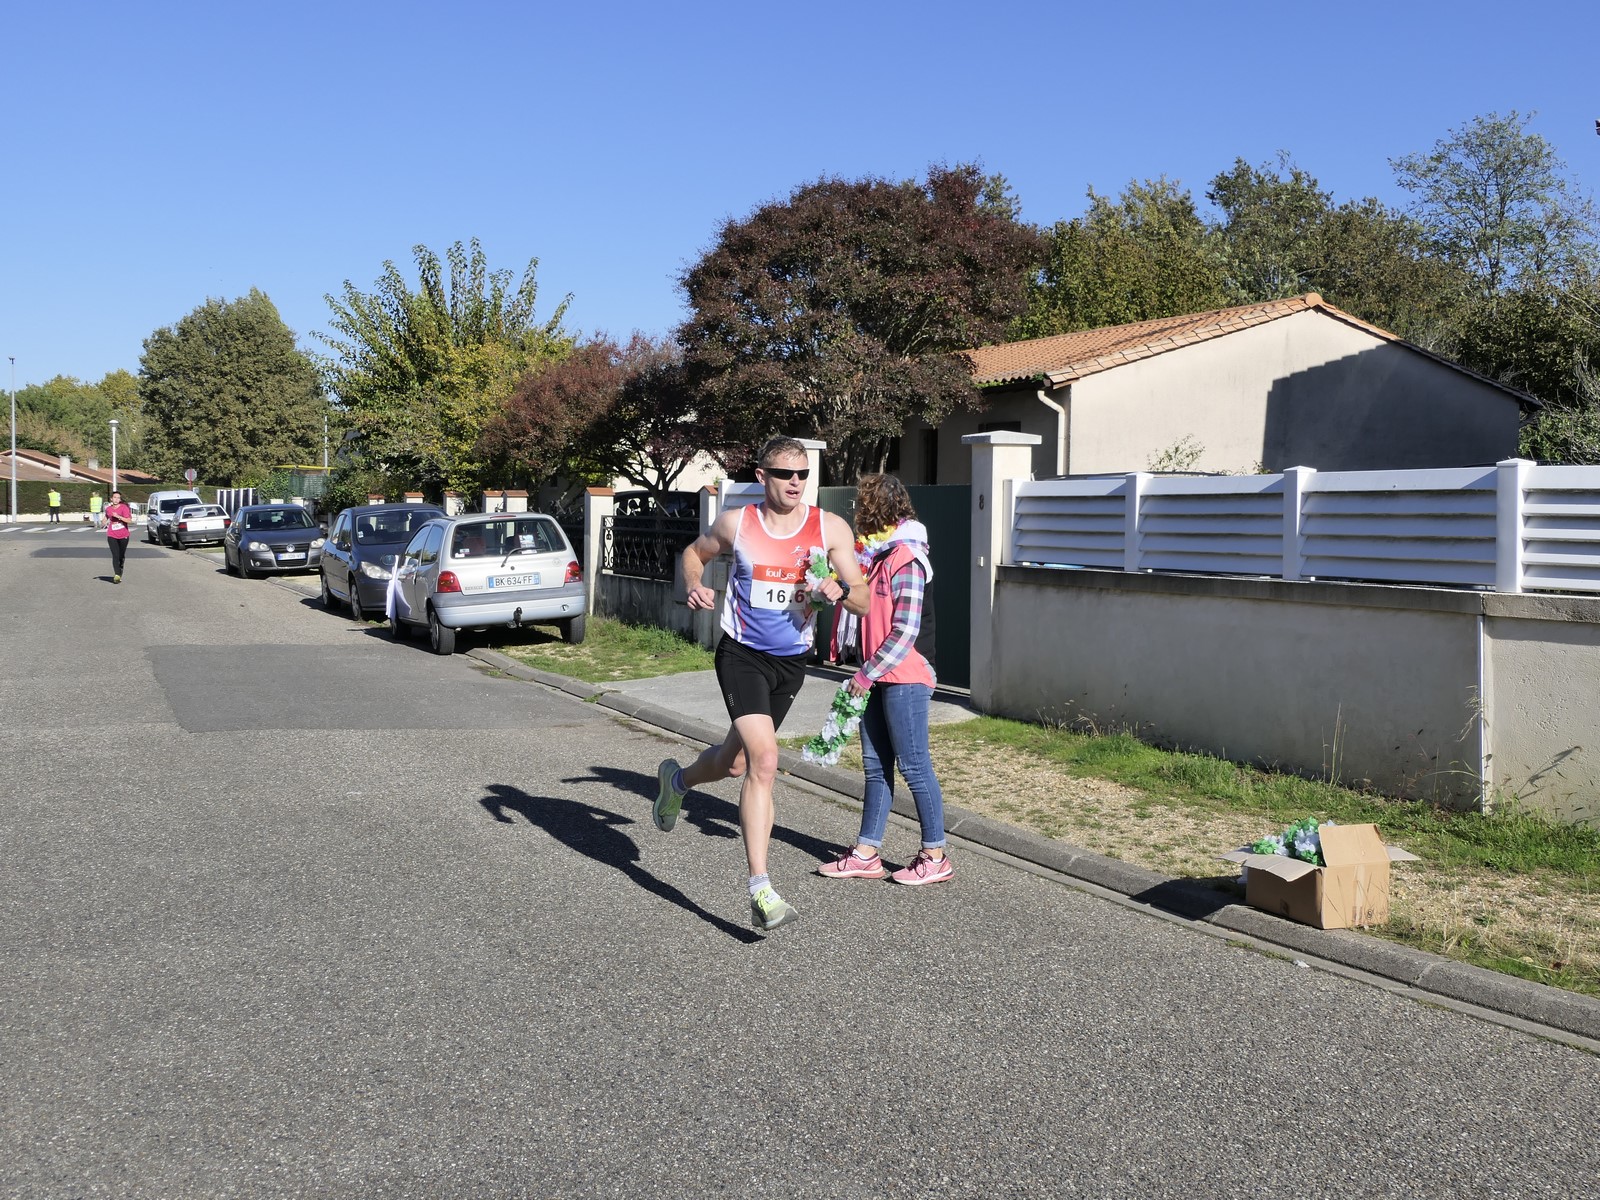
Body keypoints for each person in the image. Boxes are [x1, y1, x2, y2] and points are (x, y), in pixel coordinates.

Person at [653, 436, 870, 932]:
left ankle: (676, 782)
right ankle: (761, 889)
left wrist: (841, 590)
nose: (795, 482)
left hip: (791, 662)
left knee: (734, 764)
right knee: (765, 760)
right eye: (785, 473)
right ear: (762, 476)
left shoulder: (829, 528)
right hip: (742, 655)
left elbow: (864, 599)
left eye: (802, 474)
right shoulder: (738, 523)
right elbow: (694, 553)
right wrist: (694, 584)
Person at [816, 473, 953, 886]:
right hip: (879, 674)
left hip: (906, 675)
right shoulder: (879, 556)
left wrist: (864, 673)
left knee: (914, 766)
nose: (856, 512)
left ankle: (935, 856)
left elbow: (906, 630)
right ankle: (866, 853)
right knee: (876, 767)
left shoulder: (907, 557)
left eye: (861, 505)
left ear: (876, 509)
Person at [104, 490, 134, 583]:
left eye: (118, 498)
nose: (116, 499)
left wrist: (119, 517)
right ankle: (117, 574)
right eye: (115, 497)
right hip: (111, 535)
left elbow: (129, 520)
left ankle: (120, 570)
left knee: (121, 556)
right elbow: (106, 517)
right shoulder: (108, 509)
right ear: (111, 499)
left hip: (123, 535)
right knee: (115, 555)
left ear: (120, 499)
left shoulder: (124, 508)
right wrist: (103, 522)